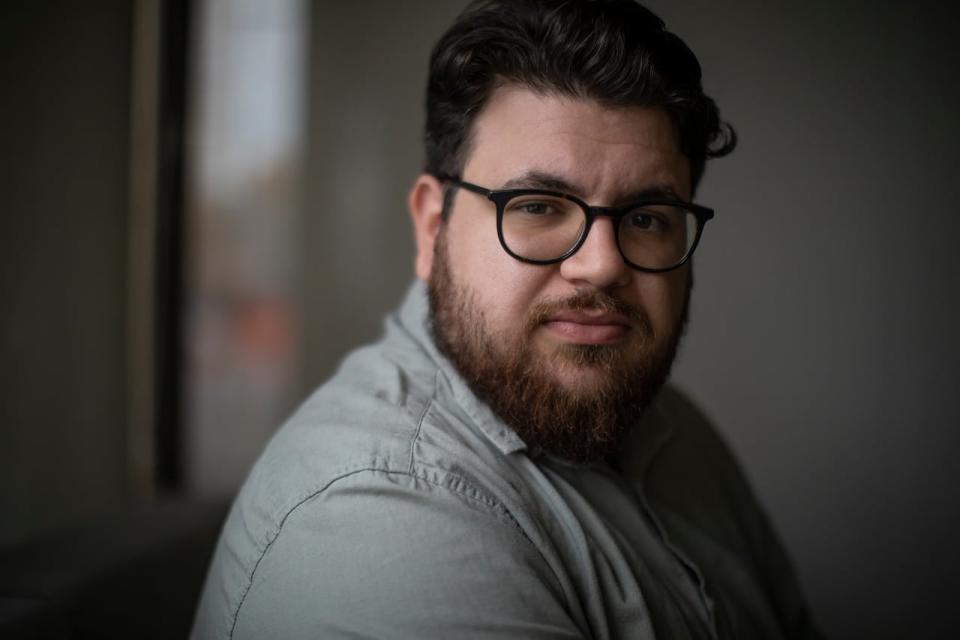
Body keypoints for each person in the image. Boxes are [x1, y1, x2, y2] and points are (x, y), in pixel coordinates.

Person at [192, 1, 821, 638]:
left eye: (648, 217)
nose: (600, 266)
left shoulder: (674, 429)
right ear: (432, 226)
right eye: (539, 207)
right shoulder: (383, 524)